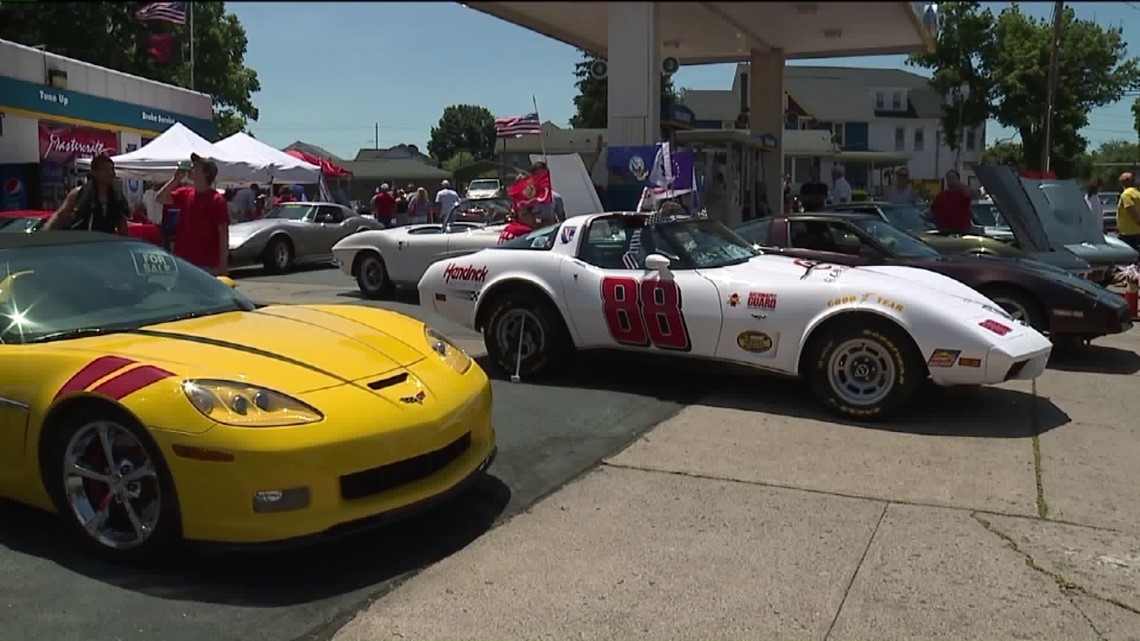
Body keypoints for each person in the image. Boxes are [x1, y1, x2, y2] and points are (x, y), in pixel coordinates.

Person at [156, 154, 230, 276]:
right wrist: (175, 179)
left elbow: (223, 233)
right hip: (183, 261)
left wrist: (223, 263)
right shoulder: (185, 193)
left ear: (206, 173)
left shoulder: (217, 200)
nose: (191, 169)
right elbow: (160, 198)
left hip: (206, 263)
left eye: (196, 167)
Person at [45, 155, 130, 235]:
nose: (111, 173)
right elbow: (60, 216)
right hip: (82, 243)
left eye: (112, 169)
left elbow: (122, 228)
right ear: (94, 172)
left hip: (106, 244)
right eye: (106, 169)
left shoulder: (118, 198)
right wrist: (43, 234)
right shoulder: (78, 193)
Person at [930, 169, 973, 233]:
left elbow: (969, 194)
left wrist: (959, 184)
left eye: (953, 177)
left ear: (957, 179)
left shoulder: (962, 193)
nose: (950, 180)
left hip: (961, 230)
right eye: (949, 178)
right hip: (944, 230)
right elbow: (934, 210)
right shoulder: (941, 195)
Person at [1116, 172, 1140, 252]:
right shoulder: (1137, 193)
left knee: (1127, 257)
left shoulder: (1126, 194)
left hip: (1128, 233)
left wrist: (1138, 221)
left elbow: (1130, 208)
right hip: (1137, 231)